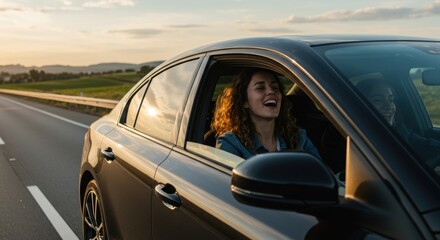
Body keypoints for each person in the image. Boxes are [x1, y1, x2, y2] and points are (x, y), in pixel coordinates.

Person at [211, 68, 321, 160]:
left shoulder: (299, 138)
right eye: (260, 88)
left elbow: (322, 176)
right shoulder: (231, 143)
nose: (271, 91)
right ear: (244, 101)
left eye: (275, 88)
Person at [356, 78, 440, 175]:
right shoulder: (347, 131)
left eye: (391, 100)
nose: (388, 106)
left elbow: (431, 145)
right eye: (378, 100)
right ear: (360, 104)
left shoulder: (401, 132)